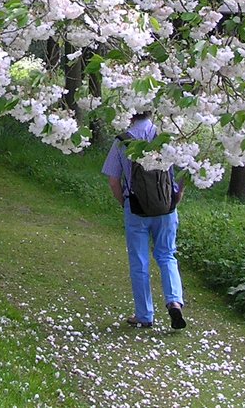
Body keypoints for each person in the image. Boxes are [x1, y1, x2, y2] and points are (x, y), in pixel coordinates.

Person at [102, 111, 186, 329]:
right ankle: (174, 301)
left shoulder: (122, 141)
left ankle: (144, 315)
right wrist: (177, 195)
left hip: (136, 208)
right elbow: (185, 170)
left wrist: (125, 203)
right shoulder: (166, 136)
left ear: (130, 113)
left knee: (139, 261)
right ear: (152, 112)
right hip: (166, 208)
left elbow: (113, 180)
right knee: (167, 255)